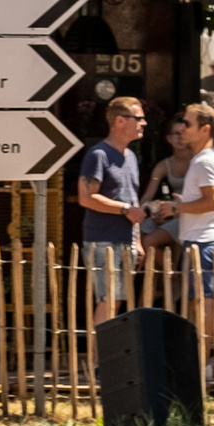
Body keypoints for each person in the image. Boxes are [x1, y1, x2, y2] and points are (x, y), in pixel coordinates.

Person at [151, 103, 214, 369]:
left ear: (205, 129)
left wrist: (177, 207)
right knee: (212, 300)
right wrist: (182, 205)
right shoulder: (212, 156)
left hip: (202, 240)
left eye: (188, 124)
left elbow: (212, 201)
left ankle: (208, 360)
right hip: (207, 237)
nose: (182, 128)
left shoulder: (205, 160)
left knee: (205, 301)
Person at [76, 97, 148, 323]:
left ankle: (108, 357)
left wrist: (137, 241)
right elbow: (86, 197)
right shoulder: (99, 155)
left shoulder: (131, 157)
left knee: (117, 303)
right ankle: (99, 359)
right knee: (107, 301)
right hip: (102, 240)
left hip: (125, 240)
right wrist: (125, 210)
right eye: (138, 118)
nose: (144, 123)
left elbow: (132, 198)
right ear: (119, 121)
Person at [139, 116, 194, 254]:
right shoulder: (164, 165)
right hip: (172, 215)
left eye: (184, 132)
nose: (180, 137)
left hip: (192, 213)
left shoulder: (198, 160)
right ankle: (172, 273)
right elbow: (148, 195)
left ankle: (174, 275)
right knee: (138, 235)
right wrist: (146, 211)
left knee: (148, 242)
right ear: (169, 138)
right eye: (176, 133)